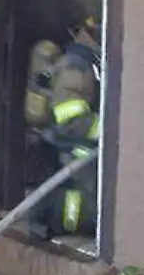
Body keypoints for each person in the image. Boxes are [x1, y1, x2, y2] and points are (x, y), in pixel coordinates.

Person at [29, 17, 102, 240]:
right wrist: (112, 129)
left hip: (71, 155)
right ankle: (60, 226)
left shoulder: (87, 61)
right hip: (72, 156)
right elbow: (70, 120)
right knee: (75, 213)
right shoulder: (77, 65)